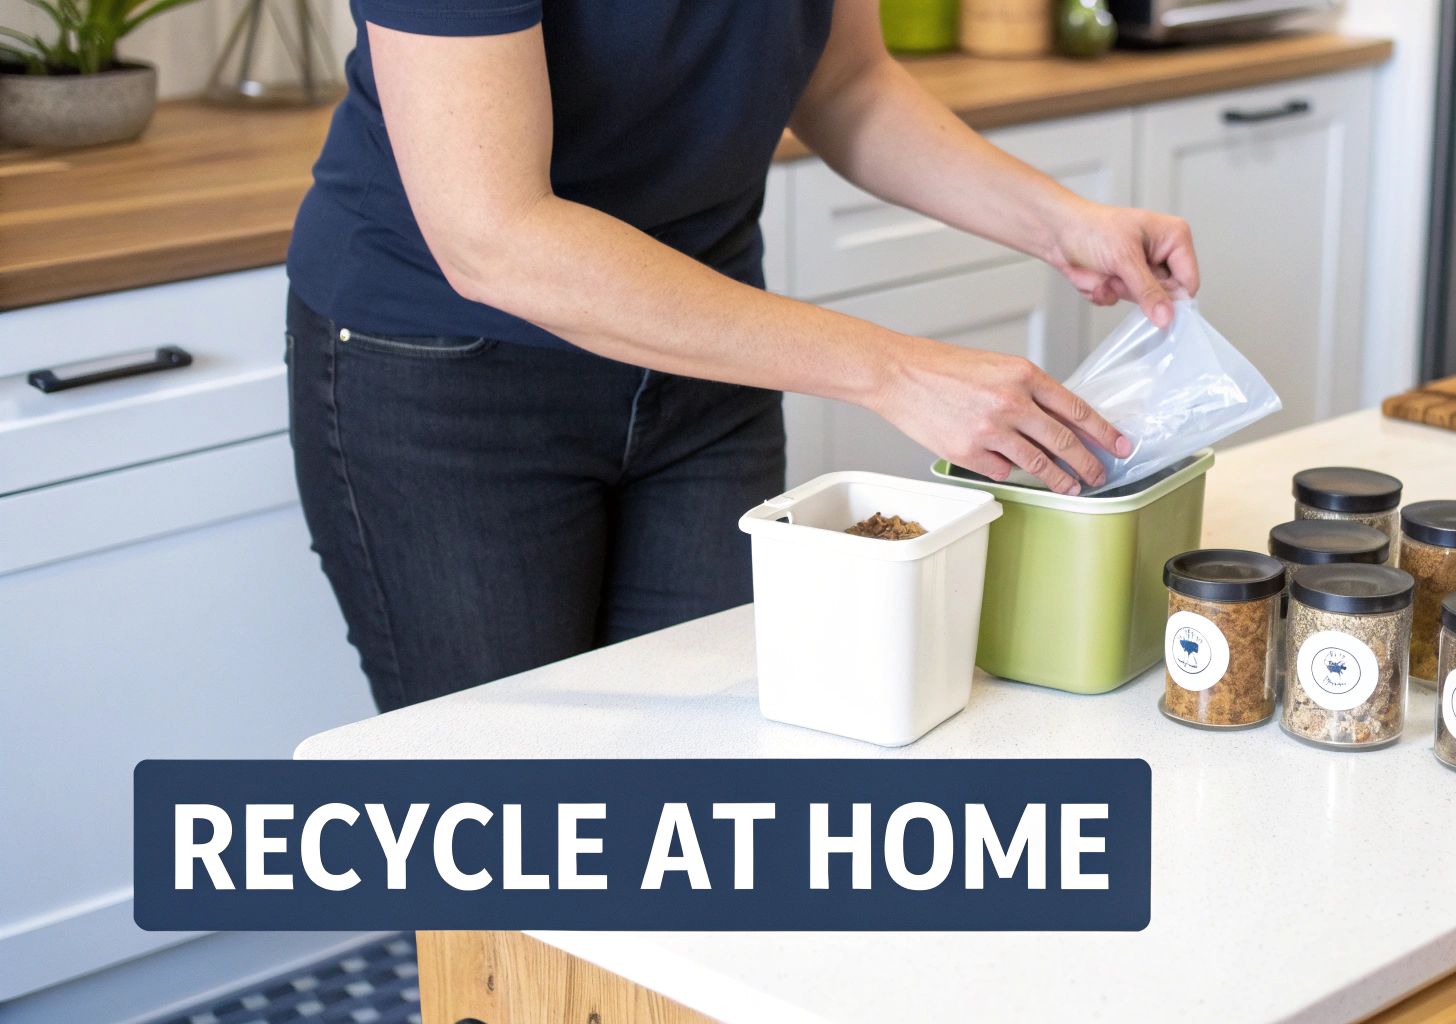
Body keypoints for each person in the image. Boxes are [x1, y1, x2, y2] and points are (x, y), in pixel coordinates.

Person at [286, 0, 1201, 712]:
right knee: (507, 805)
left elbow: (848, 84)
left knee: (708, 762)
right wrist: (891, 369)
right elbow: (495, 237)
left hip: (709, 357)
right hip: (447, 376)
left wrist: (1063, 223)